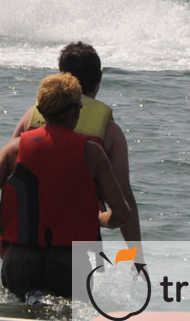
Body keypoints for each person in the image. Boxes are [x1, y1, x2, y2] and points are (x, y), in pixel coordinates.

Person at [0, 73, 131, 299]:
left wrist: (2, 219)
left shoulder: (14, 149)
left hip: (20, 260)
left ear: (41, 111)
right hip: (70, 263)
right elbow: (122, 215)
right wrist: (96, 218)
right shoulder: (92, 153)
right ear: (77, 111)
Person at [11, 42, 142, 245]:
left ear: (61, 78)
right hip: (80, 238)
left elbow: (9, 177)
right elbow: (124, 198)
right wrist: (137, 255)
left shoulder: (30, 117)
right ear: (99, 79)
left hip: (27, 238)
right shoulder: (109, 131)